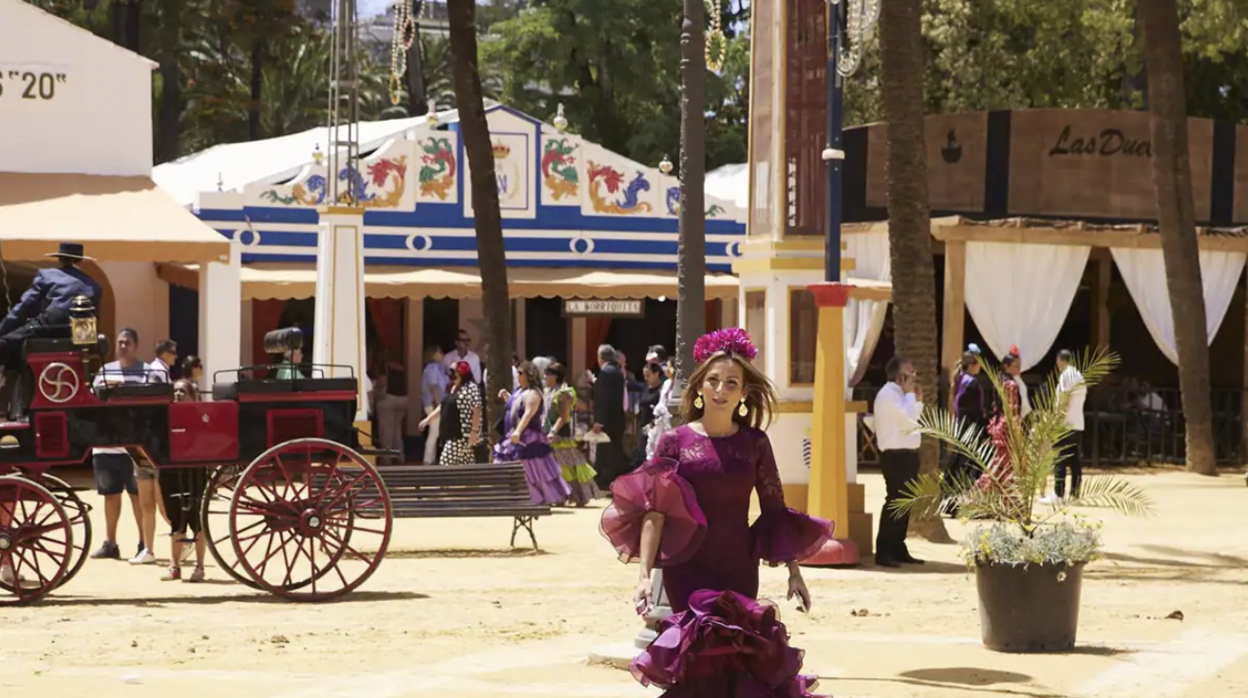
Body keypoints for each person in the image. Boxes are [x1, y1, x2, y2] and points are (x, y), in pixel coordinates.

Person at [600, 328, 829, 698]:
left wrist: (794, 572)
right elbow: (655, 513)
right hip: (687, 569)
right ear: (699, 387)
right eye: (714, 381)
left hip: (738, 564)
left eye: (731, 383)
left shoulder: (755, 443)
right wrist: (643, 577)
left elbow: (774, 510)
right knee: (698, 661)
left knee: (739, 661)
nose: (721, 390)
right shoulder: (674, 442)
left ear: (743, 393)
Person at [0, 242, 103, 420]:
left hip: (45, 329)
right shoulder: (94, 285)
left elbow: (24, 307)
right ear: (80, 261)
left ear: (60, 259)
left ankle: (4, 406)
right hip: (77, 338)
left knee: (6, 344)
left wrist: (3, 329)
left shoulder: (46, 276)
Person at [89, 328, 147, 561]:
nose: (123, 346)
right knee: (110, 495)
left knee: (138, 496)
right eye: (120, 342)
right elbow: (92, 400)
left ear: (136, 345)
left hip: (135, 447)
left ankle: (145, 542)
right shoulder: (104, 371)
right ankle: (110, 543)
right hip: (105, 446)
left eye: (128, 342)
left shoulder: (145, 372)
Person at [871, 355, 925, 568]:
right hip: (895, 456)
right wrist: (913, 396)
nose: (914, 376)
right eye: (910, 373)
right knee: (895, 502)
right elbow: (910, 418)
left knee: (905, 504)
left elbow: (912, 418)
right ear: (899, 376)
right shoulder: (888, 395)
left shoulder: (900, 395)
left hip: (907, 455)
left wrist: (916, 399)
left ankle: (898, 547)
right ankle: (884, 550)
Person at [495, 362, 572, 505]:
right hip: (516, 435)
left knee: (534, 470)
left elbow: (528, 413)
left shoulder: (534, 393)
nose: (517, 376)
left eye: (520, 373)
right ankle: (524, 497)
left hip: (529, 437)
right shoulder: (520, 391)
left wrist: (518, 431)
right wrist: (508, 397)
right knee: (521, 468)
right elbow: (517, 406)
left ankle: (537, 498)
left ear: (528, 375)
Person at [160, 379, 208, 582]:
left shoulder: (201, 416)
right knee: (175, 519)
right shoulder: (166, 415)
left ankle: (200, 566)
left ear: (192, 395)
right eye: (175, 391)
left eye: (182, 391)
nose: (178, 395)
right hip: (171, 470)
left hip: (194, 468)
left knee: (196, 519)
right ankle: (174, 565)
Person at [543, 362, 596, 506]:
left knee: (569, 466)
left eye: (547, 374)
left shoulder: (563, 393)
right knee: (557, 467)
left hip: (562, 436)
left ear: (555, 377)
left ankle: (579, 496)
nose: (545, 377)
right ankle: (559, 496)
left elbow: (564, 416)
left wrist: (553, 431)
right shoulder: (549, 391)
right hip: (551, 434)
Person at [420, 361, 482, 466]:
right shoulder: (453, 388)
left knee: (446, 464)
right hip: (453, 434)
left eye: (453, 370)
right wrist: (428, 419)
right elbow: (443, 405)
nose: (450, 373)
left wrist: (474, 432)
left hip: (463, 435)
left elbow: (477, 409)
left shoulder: (471, 387)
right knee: (466, 467)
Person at [591, 344, 628, 490]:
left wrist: (599, 421)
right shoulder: (618, 371)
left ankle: (605, 482)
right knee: (614, 452)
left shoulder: (605, 373)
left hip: (606, 421)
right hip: (617, 419)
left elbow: (603, 400)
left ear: (600, 357)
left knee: (606, 453)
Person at [1052, 349, 1086, 500]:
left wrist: (1057, 419)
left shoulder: (1067, 374)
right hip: (1076, 423)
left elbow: (1064, 398)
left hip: (1066, 423)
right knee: (1074, 461)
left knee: (1059, 458)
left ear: (1060, 360)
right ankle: (1074, 493)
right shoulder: (1078, 375)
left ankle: (1058, 494)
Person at [374, 350, 408, 465]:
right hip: (403, 399)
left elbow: (382, 382)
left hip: (389, 399)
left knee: (386, 432)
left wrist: (374, 391)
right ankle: (400, 457)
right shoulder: (400, 366)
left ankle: (386, 459)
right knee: (397, 431)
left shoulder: (384, 365)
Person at [632, 362, 666, 466]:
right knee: (640, 457)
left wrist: (652, 424)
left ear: (656, 374)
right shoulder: (646, 389)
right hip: (642, 427)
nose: (645, 378)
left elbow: (661, 412)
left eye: (648, 375)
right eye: (644, 376)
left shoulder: (661, 391)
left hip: (654, 428)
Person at [420, 345, 448, 464]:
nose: (442, 354)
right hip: (433, 403)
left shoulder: (440, 368)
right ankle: (427, 461)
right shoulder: (431, 369)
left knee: (435, 432)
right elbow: (434, 387)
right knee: (434, 431)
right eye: (439, 352)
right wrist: (438, 403)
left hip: (439, 403)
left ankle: (431, 459)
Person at [1002, 346, 1031, 419]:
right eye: (1016, 366)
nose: (1019, 368)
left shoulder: (1017, 378)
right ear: (1006, 366)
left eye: (1019, 366)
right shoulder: (1006, 381)